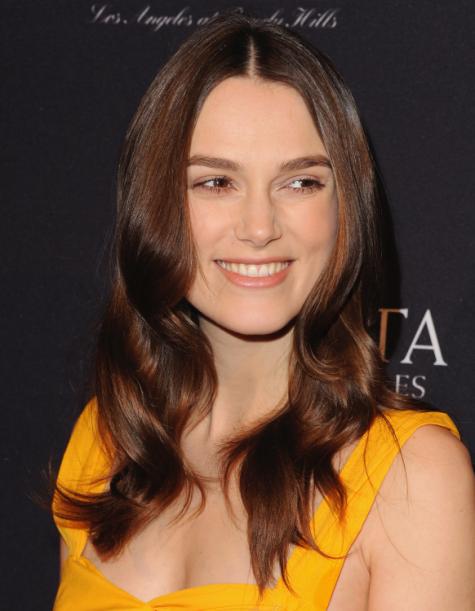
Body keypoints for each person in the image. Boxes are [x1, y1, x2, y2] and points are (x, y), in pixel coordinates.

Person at [50, 9, 475, 611]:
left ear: (346, 209)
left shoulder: (411, 476)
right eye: (216, 182)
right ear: (157, 204)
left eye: (300, 182)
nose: (258, 227)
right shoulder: (107, 439)